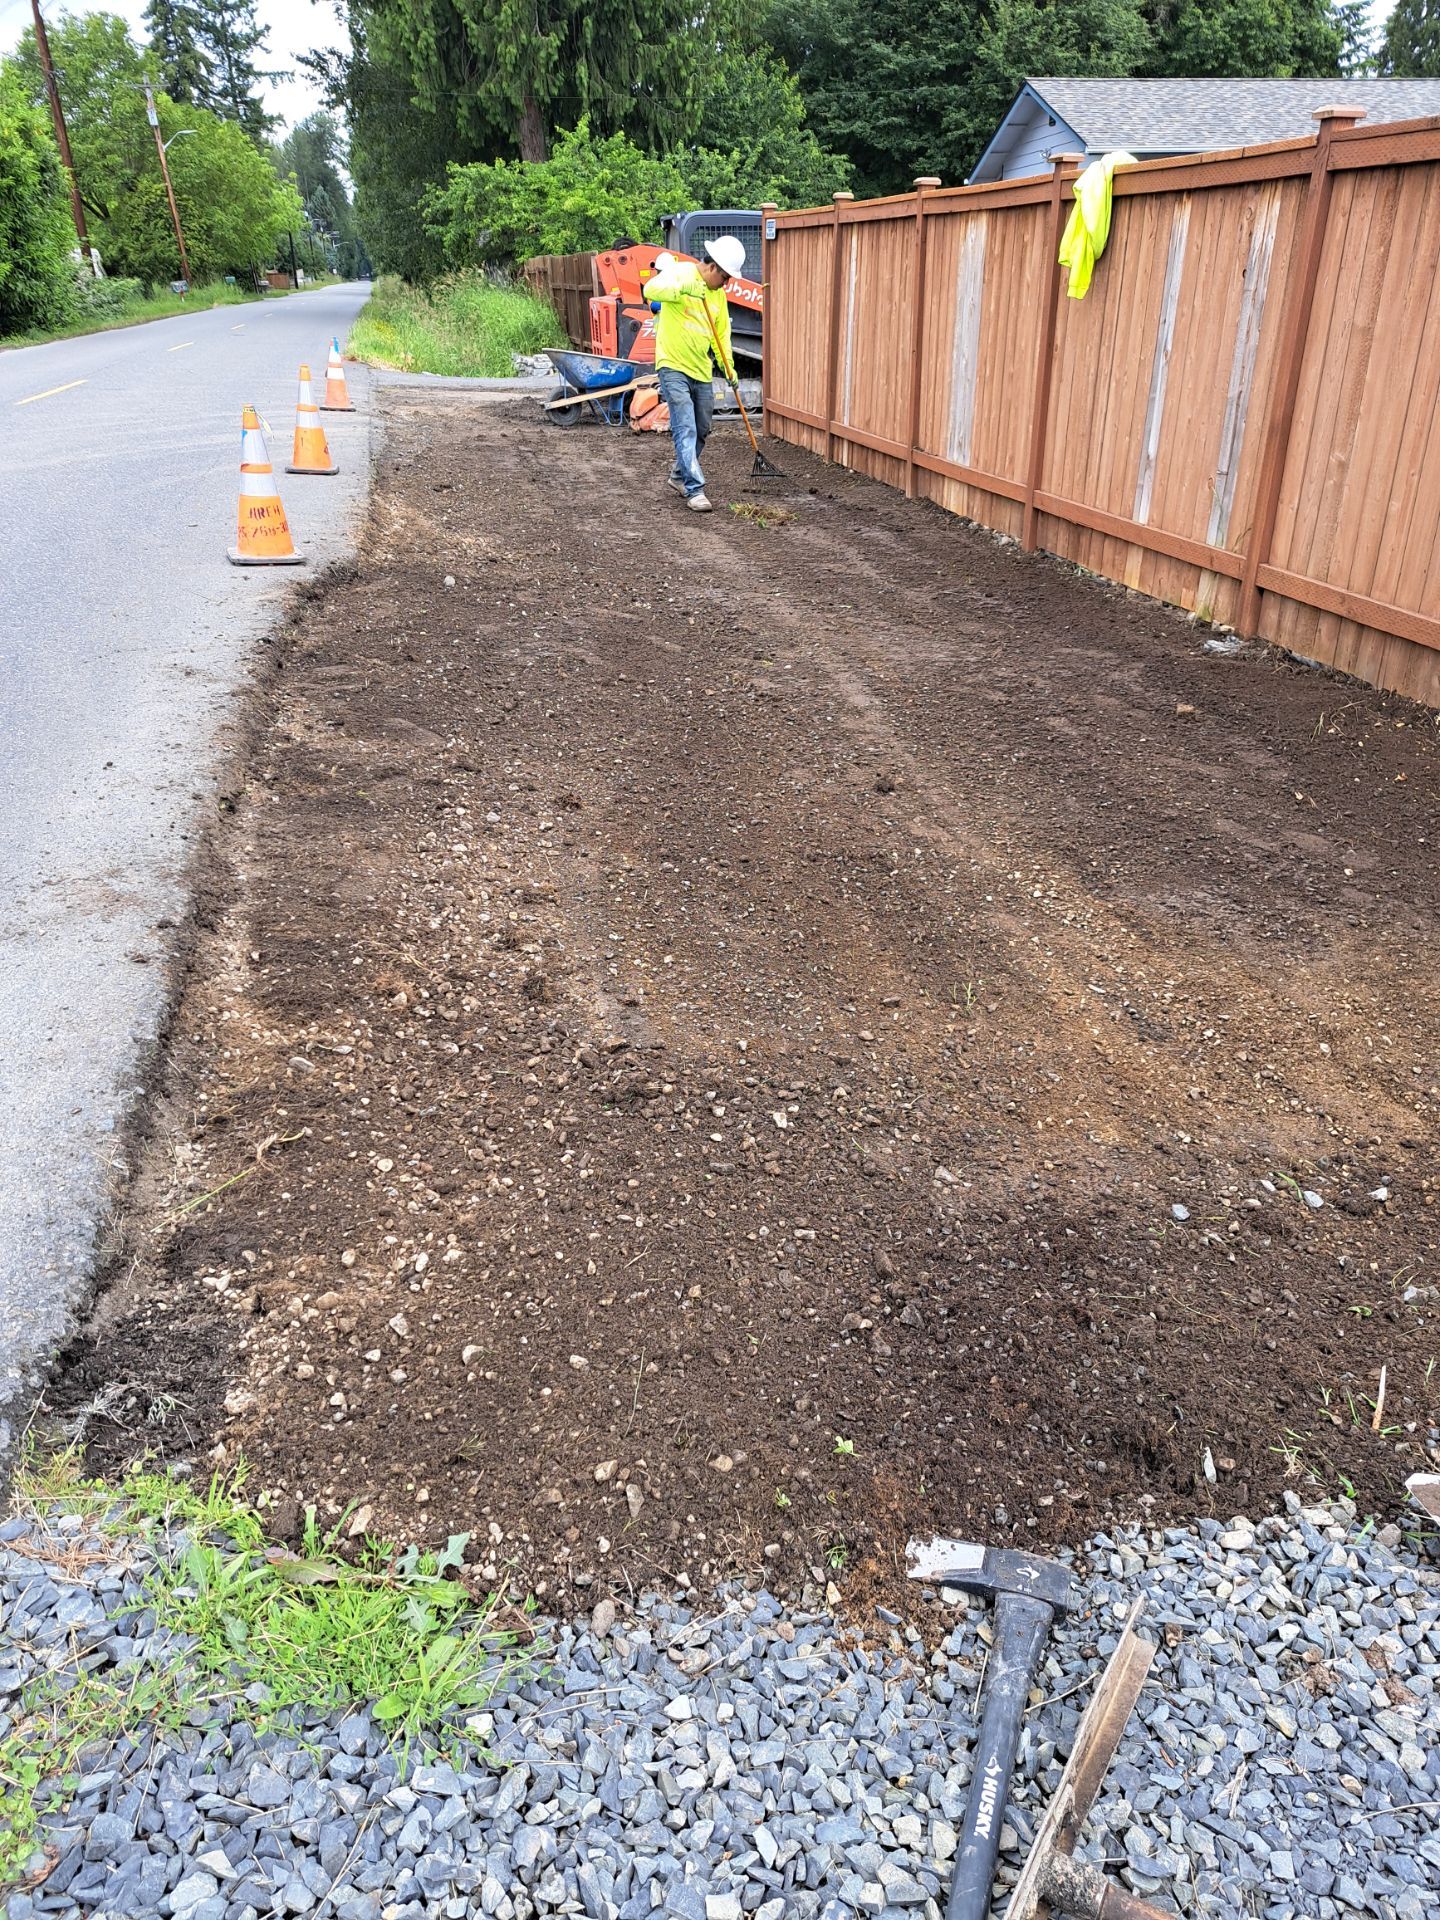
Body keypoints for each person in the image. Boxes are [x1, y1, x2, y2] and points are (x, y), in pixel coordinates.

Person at [643, 236, 746, 513]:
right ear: (713, 268)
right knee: (685, 426)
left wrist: (729, 367)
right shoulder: (681, 273)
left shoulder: (718, 296)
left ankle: (678, 476)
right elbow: (651, 290)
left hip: (701, 369)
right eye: (725, 278)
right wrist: (683, 288)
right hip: (673, 364)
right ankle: (694, 488)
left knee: (702, 428)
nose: (727, 284)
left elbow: (721, 335)